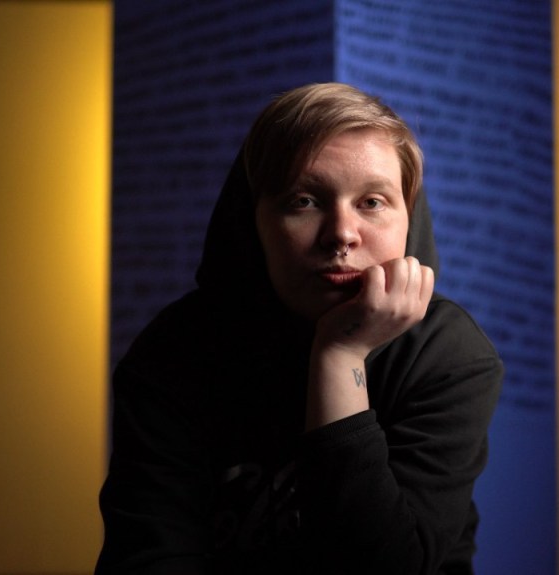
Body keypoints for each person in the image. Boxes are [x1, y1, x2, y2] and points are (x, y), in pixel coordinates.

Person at [96, 82, 503, 575]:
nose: (342, 235)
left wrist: (340, 355)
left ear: (408, 218)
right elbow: (150, 556)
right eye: (305, 201)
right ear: (254, 221)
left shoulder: (448, 355)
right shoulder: (171, 353)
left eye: (372, 202)